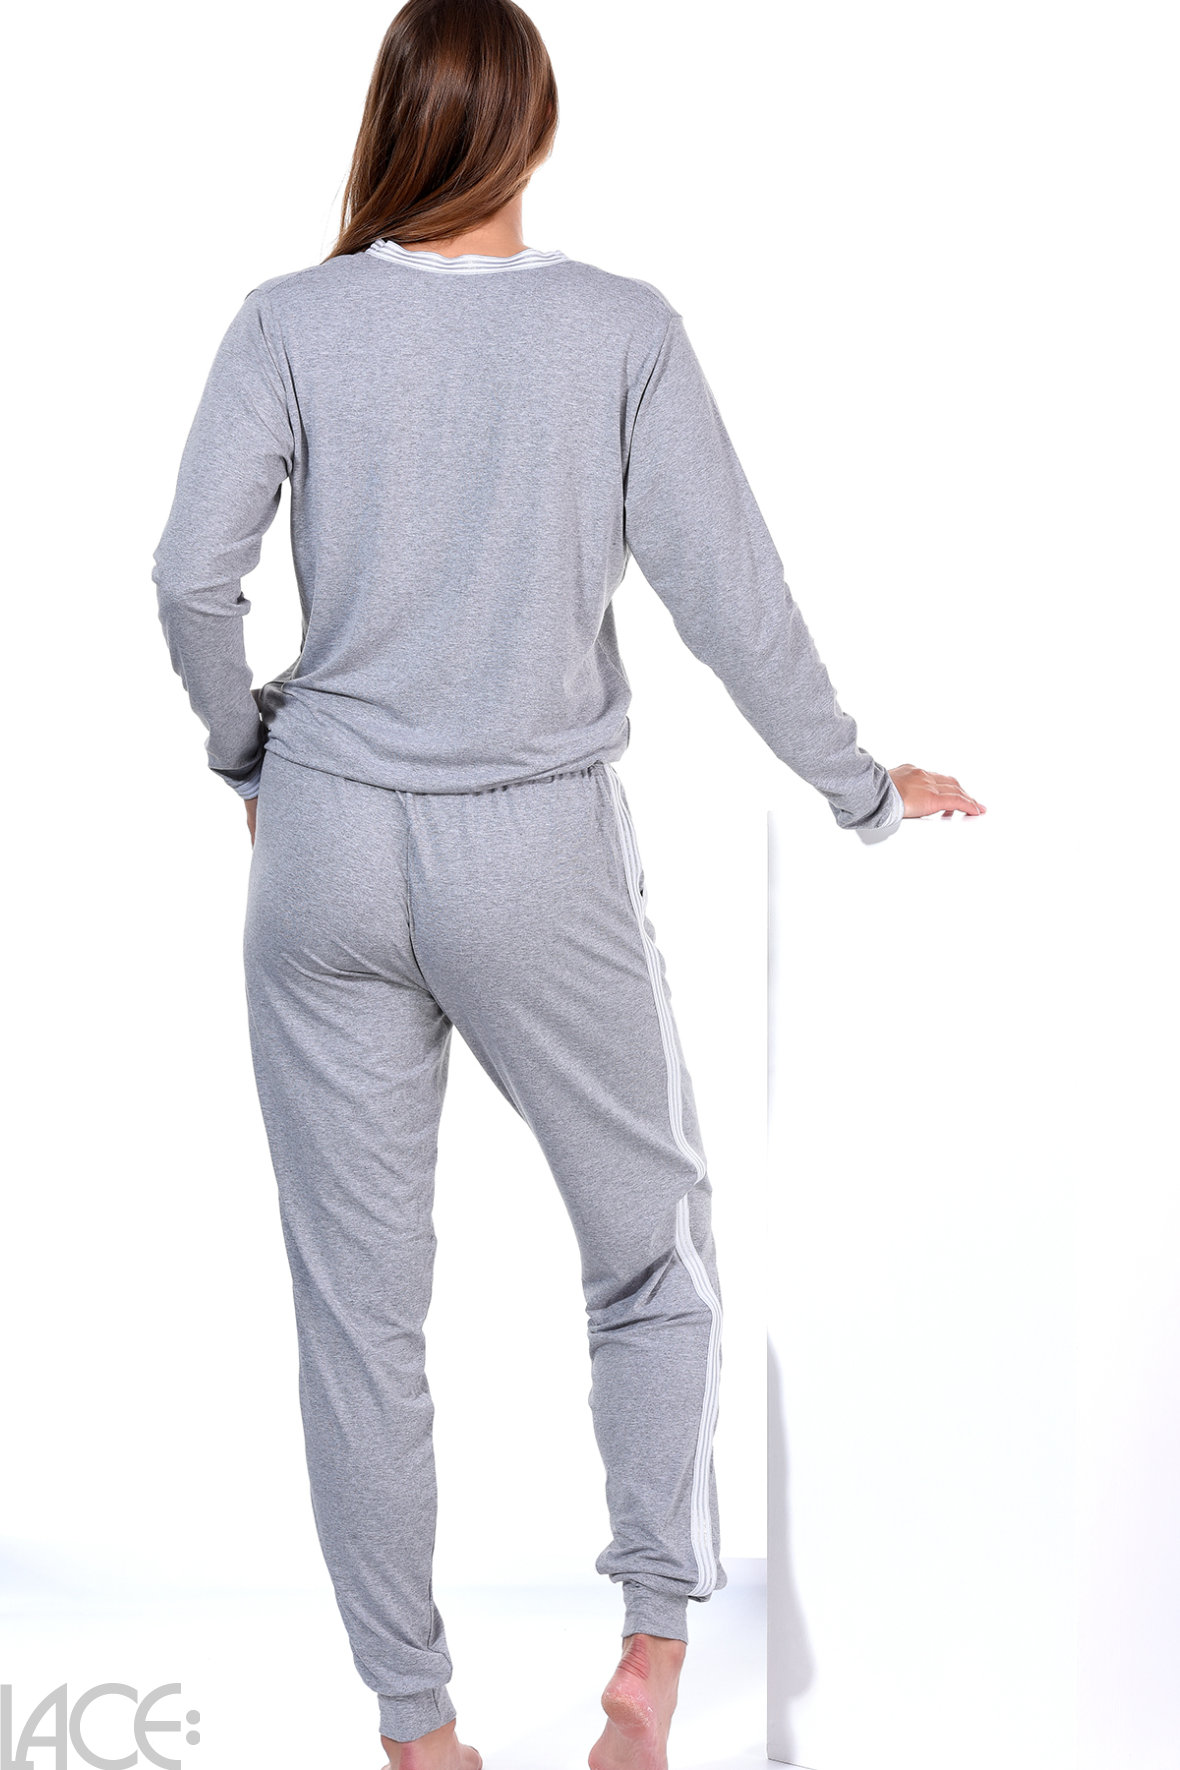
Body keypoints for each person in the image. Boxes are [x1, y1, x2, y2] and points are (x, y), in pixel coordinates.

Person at [151, 2, 986, 1765]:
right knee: (650, 1244)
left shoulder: (290, 320)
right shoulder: (619, 331)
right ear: (534, 129)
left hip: (323, 849)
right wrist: (861, 786)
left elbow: (189, 580)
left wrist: (251, 762)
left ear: (394, 118)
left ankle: (418, 1729)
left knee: (359, 1320)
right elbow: (731, 600)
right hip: (534, 845)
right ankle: (650, 1652)